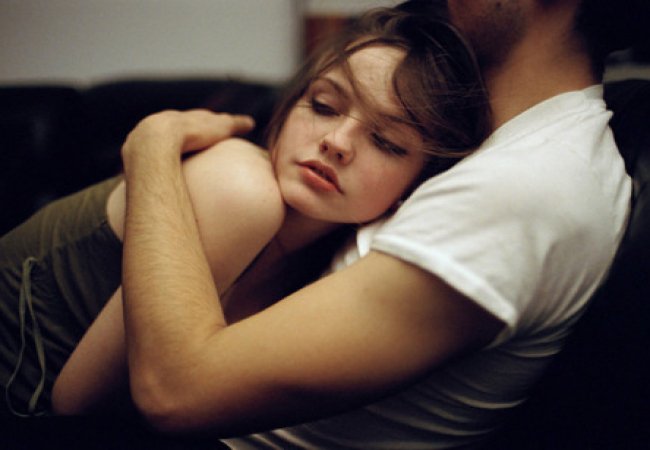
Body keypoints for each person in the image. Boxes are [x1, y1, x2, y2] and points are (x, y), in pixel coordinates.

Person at [109, 0, 646, 448]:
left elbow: (175, 392)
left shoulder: (526, 188)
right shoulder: (498, 148)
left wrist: (152, 146)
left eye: (387, 142)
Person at [0, 7, 490, 420]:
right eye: (324, 106)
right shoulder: (239, 188)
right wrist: (153, 144)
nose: (336, 142)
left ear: (416, 187)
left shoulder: (338, 264)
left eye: (385, 140)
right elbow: (75, 405)